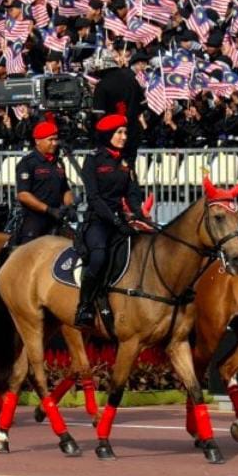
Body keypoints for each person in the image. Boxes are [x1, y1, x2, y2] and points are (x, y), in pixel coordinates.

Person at [74, 111, 149, 328]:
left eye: (125, 132)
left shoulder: (126, 161)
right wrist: (114, 221)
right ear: (108, 135)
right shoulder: (93, 160)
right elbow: (94, 198)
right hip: (98, 220)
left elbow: (132, 194)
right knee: (99, 258)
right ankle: (85, 306)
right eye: (119, 132)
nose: (124, 136)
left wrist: (138, 215)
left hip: (120, 220)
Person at [12, 115, 75, 247]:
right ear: (38, 141)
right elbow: (23, 195)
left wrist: (69, 206)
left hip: (57, 219)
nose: (54, 143)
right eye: (50, 140)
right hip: (35, 219)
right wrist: (48, 210)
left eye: (56, 139)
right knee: (28, 256)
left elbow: (65, 189)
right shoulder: (28, 163)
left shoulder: (58, 163)